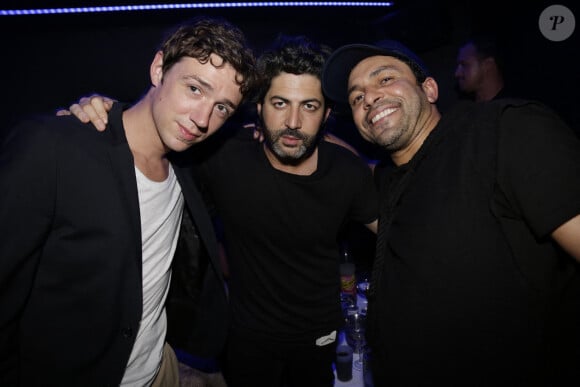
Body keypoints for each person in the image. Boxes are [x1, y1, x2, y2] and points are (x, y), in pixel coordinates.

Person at [57, 35, 379, 387]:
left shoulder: (348, 172)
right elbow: (154, 127)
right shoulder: (221, 155)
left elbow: (398, 234)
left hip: (319, 330)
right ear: (258, 107)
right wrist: (102, 114)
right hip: (244, 333)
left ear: (327, 114)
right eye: (280, 103)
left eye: (310, 106)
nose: (293, 121)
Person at [0, 16, 256, 386]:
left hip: (159, 370)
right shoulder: (54, 148)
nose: (202, 119)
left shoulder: (189, 166)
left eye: (222, 108)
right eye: (195, 89)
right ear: (158, 69)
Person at [321, 39, 580, 385]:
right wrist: (306, 135)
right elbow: (357, 166)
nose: (369, 97)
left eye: (384, 79)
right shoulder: (390, 178)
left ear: (429, 88)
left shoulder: (501, 131)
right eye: (356, 98)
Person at [454, 34, 509, 102]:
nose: (457, 73)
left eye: (464, 65)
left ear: (488, 65)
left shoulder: (514, 108)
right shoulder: (464, 109)